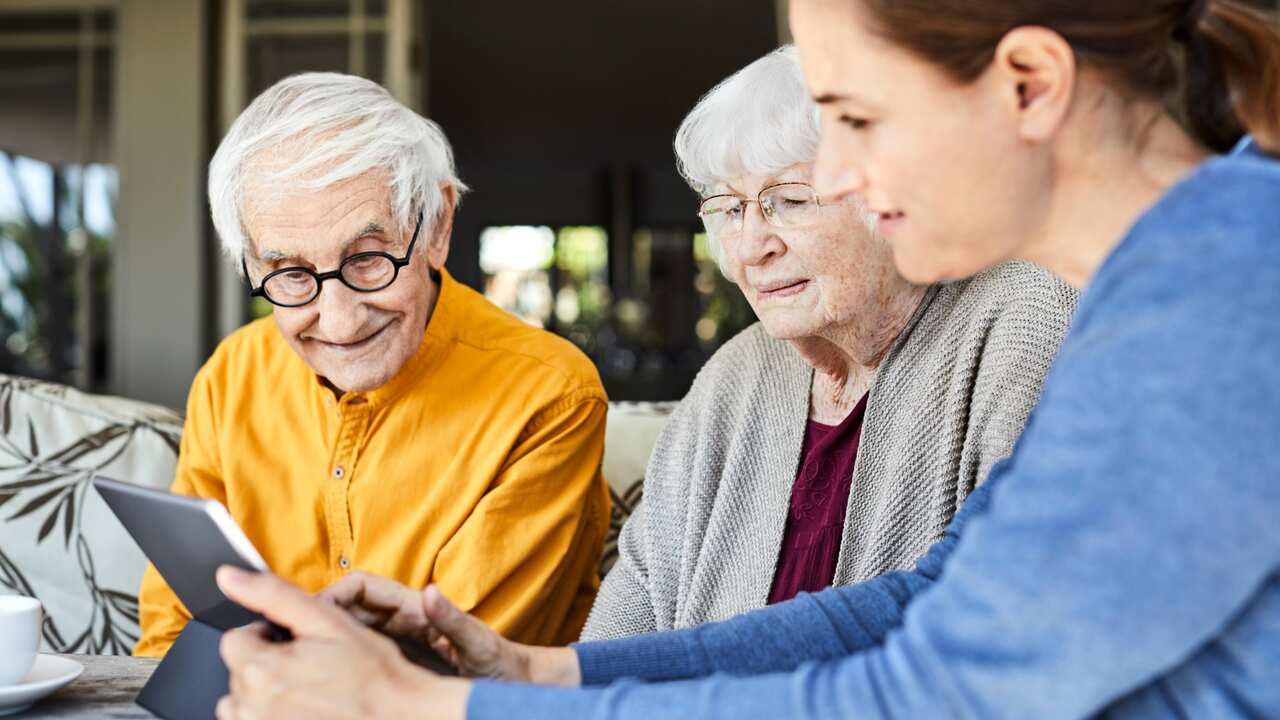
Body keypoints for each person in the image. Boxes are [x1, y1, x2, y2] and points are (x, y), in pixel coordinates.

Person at [213, 0, 1280, 717]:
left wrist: (437, 706)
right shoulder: (1166, 280)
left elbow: (929, 695)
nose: (845, 179)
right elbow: (919, 602)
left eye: (855, 120)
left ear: (1029, 85)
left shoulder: (1219, 297)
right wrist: (543, 670)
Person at [582, 46, 1076, 640]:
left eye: (787, 201)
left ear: (893, 197)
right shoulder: (734, 377)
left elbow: (1008, 616)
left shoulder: (1026, 318)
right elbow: (633, 601)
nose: (750, 244)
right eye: (729, 209)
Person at [133, 72, 611, 657]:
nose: (338, 323)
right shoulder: (232, 376)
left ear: (436, 225)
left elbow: (460, 661)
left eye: (367, 259)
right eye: (290, 274)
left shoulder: (547, 396)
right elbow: (173, 627)